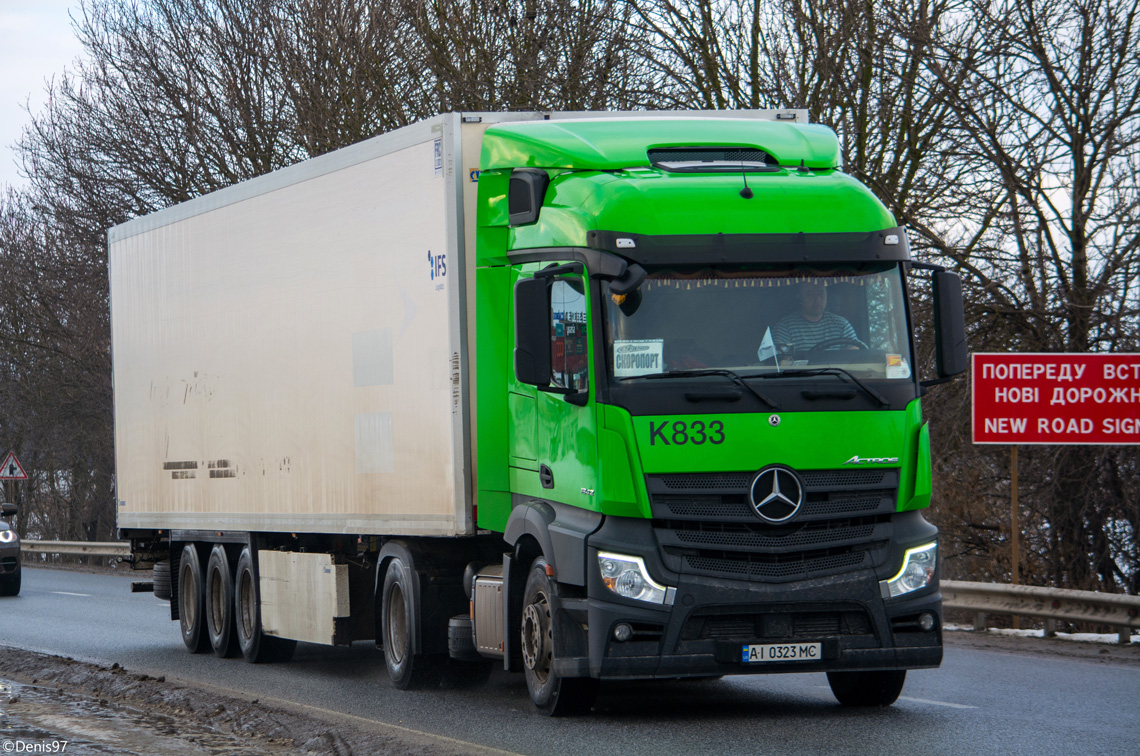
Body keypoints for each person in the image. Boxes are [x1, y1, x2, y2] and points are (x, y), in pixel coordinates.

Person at [767, 281, 864, 359]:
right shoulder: (785, 327)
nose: (817, 299)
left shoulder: (842, 325)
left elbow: (854, 354)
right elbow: (785, 363)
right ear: (799, 297)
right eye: (810, 294)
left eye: (821, 294)